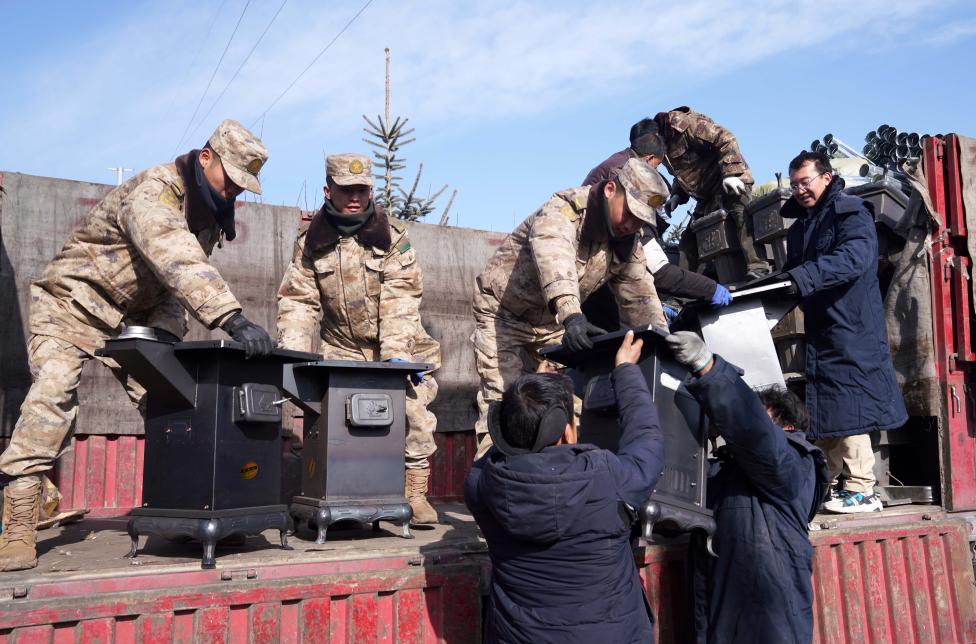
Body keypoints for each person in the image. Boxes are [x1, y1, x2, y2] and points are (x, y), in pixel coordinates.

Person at [0, 119, 274, 571]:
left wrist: (168, 348)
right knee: (53, 395)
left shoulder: (208, 216)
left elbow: (168, 288)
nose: (234, 194)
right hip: (74, 302)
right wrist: (231, 317)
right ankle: (20, 519)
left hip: (135, 320)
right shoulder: (157, 188)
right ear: (206, 158)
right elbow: (171, 252)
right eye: (232, 180)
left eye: (243, 187)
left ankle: (191, 507)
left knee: (172, 404)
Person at [465, 331, 664, 644]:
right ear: (568, 433)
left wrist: (530, 395)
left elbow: (498, 451)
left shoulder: (481, 485)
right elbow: (647, 444)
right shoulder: (605, 478)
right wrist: (625, 372)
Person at [277, 153, 442, 524]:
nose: (355, 197)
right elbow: (300, 300)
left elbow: (402, 298)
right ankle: (333, 492)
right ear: (328, 190)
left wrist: (397, 356)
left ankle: (414, 493)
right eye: (346, 189)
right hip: (341, 348)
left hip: (398, 345)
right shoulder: (310, 242)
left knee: (413, 413)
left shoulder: (394, 239)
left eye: (362, 190)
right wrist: (293, 356)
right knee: (331, 420)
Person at [472, 158, 668, 458]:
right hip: (504, 315)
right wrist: (572, 313)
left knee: (568, 408)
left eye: (641, 220)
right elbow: (554, 254)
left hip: (552, 325)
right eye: (629, 212)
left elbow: (640, 296)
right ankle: (491, 491)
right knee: (506, 406)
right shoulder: (565, 210)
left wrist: (662, 342)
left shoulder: (627, 241)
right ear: (610, 189)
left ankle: (559, 491)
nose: (632, 224)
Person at [665, 330, 828, 644]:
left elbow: (754, 435)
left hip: (766, 642)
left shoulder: (794, 463)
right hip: (723, 637)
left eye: (758, 413)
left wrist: (709, 370)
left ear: (781, 423)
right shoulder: (729, 471)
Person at [777, 150, 908, 513]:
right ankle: (826, 483)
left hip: (852, 328)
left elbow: (855, 258)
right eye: (794, 185)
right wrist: (759, 296)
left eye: (806, 181)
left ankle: (863, 489)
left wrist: (800, 278)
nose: (800, 190)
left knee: (851, 406)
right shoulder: (803, 226)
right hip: (823, 331)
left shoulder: (850, 212)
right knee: (829, 410)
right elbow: (792, 273)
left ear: (828, 177)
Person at [583, 118, 732, 310]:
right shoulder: (627, 179)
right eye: (657, 166)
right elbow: (660, 273)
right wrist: (711, 289)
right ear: (648, 160)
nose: (655, 171)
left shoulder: (617, 163)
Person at [655, 105, 769, 280]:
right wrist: (677, 195)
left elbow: (725, 138)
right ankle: (684, 288)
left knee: (740, 214)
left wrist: (730, 173)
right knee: (689, 242)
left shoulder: (685, 124)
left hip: (729, 180)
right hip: (707, 195)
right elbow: (683, 173)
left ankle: (758, 266)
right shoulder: (663, 149)